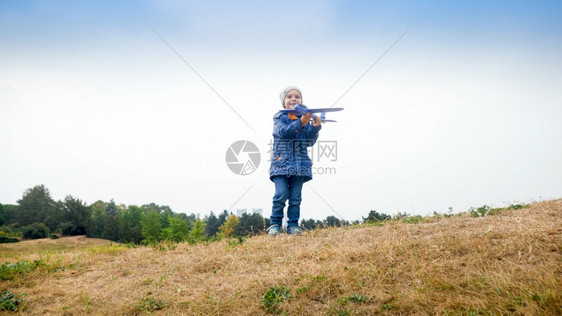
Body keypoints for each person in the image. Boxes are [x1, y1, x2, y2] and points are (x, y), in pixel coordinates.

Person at [267, 86, 322, 236]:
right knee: (281, 195)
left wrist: (315, 127)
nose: (293, 99)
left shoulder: (303, 119)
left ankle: (293, 226)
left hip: (300, 165)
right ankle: (275, 225)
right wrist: (302, 123)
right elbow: (284, 133)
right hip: (281, 165)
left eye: (297, 97)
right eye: (289, 96)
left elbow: (308, 141)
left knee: (295, 197)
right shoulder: (279, 117)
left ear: (301, 101)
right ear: (284, 102)